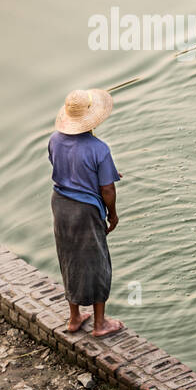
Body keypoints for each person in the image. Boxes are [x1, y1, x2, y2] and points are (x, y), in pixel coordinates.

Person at [48, 88, 124, 337]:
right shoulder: (99, 148)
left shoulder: (54, 139)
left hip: (60, 204)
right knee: (97, 261)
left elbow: (66, 169)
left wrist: (104, 173)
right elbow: (107, 190)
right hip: (85, 211)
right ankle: (100, 324)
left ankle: (74, 317)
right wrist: (112, 215)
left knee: (69, 257)